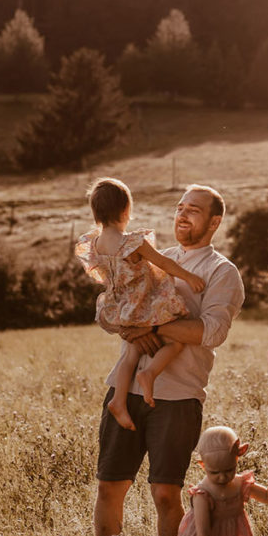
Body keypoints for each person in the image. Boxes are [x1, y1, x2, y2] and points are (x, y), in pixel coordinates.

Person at [93, 184, 245, 536]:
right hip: (124, 390)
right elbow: (112, 305)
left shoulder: (221, 272)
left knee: (165, 492)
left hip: (178, 396)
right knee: (110, 487)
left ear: (215, 221)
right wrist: (128, 328)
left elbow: (211, 331)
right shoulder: (151, 256)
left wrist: (152, 329)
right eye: (179, 207)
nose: (182, 214)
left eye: (193, 209)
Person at [75, 177, 207, 431]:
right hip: (142, 305)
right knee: (177, 340)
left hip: (117, 308)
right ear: (126, 210)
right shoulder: (132, 242)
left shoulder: (94, 244)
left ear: (96, 213)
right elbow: (164, 263)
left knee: (131, 354)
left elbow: (99, 275)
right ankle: (149, 373)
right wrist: (189, 276)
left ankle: (118, 400)